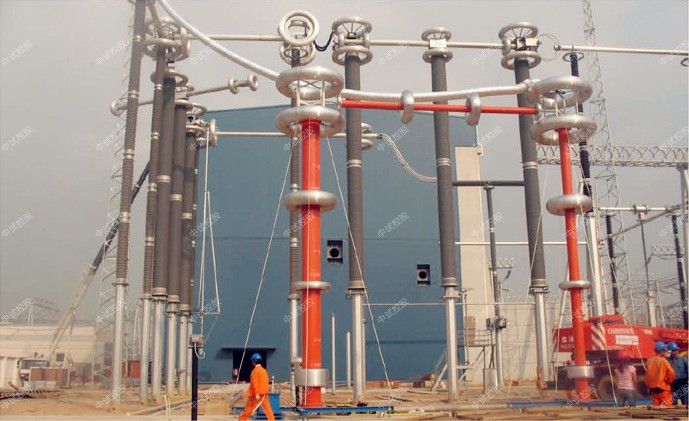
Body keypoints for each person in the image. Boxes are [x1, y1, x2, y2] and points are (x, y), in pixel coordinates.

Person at [239, 353, 274, 420]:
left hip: (255, 395)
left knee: (248, 410)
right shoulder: (264, 371)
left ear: (254, 361)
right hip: (264, 394)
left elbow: (255, 384)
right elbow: (266, 382)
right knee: (268, 410)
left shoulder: (255, 371)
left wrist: (256, 393)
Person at [645, 342, 676, 407]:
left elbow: (647, 376)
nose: (666, 352)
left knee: (656, 410)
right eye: (665, 350)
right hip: (664, 390)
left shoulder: (649, 361)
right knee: (667, 410)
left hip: (654, 392)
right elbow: (671, 373)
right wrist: (668, 381)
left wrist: (649, 386)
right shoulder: (664, 361)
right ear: (661, 351)